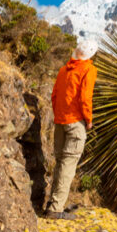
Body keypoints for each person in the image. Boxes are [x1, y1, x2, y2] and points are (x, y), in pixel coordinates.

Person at [45, 39, 98, 219]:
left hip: (60, 121)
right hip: (75, 122)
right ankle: (56, 209)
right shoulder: (88, 70)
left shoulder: (62, 70)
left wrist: (59, 115)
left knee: (60, 163)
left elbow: (54, 96)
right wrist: (88, 120)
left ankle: (53, 203)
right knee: (68, 165)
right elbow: (85, 98)